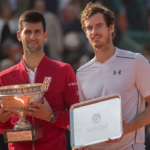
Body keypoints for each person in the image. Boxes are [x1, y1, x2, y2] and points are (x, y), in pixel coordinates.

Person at [0, 10, 79, 150]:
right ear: (19, 36)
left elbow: (77, 117)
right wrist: (1, 119)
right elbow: (3, 128)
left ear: (46, 35)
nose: (32, 36)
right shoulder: (4, 77)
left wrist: (52, 116)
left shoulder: (64, 70)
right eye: (27, 32)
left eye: (37, 31)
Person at [76, 2, 150, 150]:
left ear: (111, 27)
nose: (94, 31)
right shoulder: (81, 73)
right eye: (89, 28)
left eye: (99, 25)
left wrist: (127, 128)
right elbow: (84, 118)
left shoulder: (136, 61)